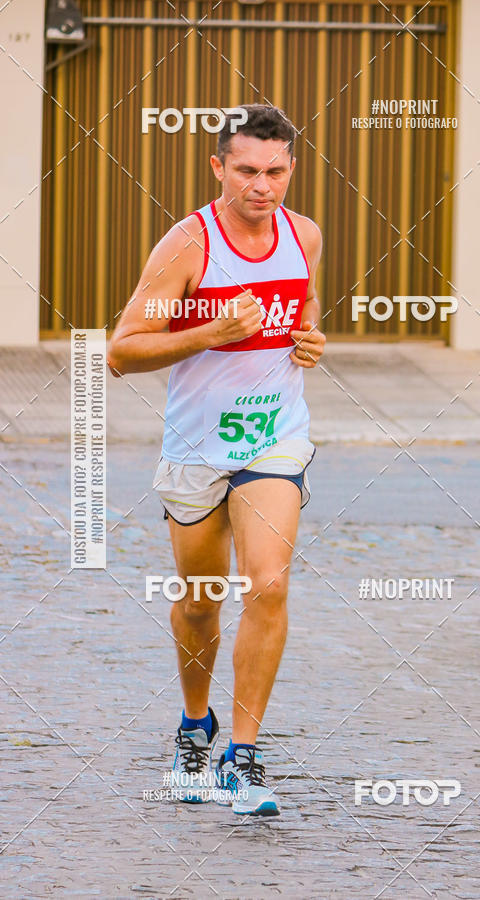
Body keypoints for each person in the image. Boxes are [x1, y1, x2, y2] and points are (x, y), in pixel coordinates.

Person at [108, 104, 325, 816]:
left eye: (275, 171)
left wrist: (312, 342)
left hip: (274, 438)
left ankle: (244, 756)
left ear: (291, 168)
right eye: (246, 171)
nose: (262, 186)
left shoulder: (305, 236)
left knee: (268, 584)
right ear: (218, 168)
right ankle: (194, 728)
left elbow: (304, 310)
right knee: (200, 605)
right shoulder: (188, 245)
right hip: (197, 448)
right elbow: (121, 351)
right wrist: (209, 331)